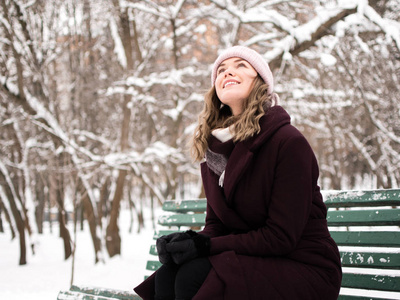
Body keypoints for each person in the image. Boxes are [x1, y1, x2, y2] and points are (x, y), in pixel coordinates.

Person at [134, 46, 342, 300]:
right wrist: (188, 242)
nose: (228, 71)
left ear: (261, 82)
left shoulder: (287, 142)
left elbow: (281, 237)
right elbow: (216, 226)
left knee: (194, 276)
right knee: (169, 273)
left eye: (241, 65)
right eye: (221, 70)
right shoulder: (214, 152)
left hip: (304, 267)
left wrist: (206, 246)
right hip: (253, 260)